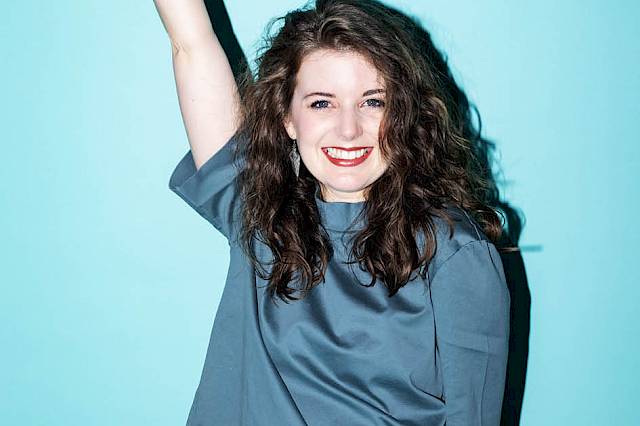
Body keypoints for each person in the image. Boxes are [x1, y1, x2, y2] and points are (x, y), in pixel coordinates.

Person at [154, 0, 511, 424]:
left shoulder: (453, 249)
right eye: (322, 103)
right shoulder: (256, 210)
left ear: (403, 113)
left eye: (373, 102)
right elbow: (190, 41)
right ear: (287, 117)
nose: (348, 130)